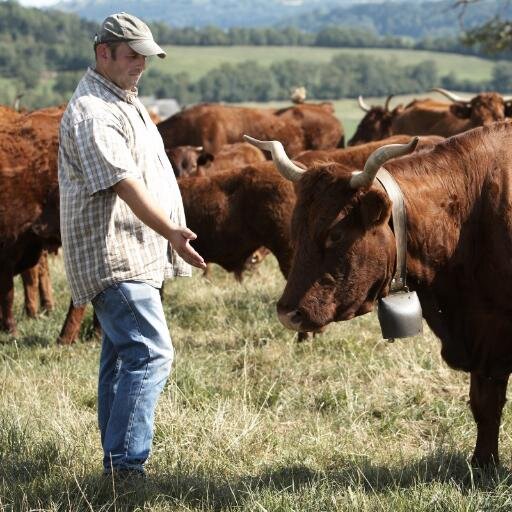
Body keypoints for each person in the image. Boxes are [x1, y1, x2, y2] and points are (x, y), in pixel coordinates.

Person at [58, 12, 206, 477]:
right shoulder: (93, 112)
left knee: (124, 359)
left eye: (146, 56)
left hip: (132, 250)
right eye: (132, 55)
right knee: (150, 353)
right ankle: (125, 467)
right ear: (104, 53)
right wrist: (171, 232)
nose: (141, 64)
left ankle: (115, 464)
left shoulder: (123, 98)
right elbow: (123, 182)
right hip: (114, 255)